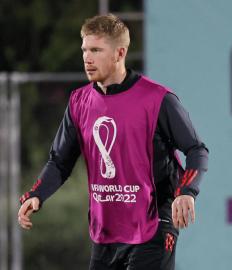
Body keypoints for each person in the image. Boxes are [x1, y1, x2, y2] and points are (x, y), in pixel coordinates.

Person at [17, 14, 208, 270]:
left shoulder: (158, 100)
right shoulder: (79, 102)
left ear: (119, 53)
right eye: (85, 49)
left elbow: (197, 150)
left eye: (96, 50)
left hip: (153, 226)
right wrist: (37, 194)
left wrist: (187, 192)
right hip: (105, 231)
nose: (87, 57)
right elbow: (60, 161)